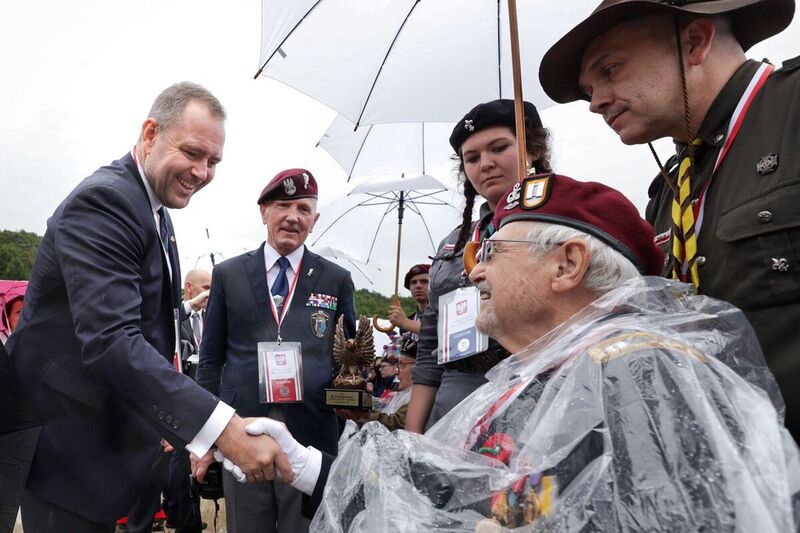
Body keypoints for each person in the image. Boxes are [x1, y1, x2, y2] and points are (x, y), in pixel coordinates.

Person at [305, 174, 800, 532]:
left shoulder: (644, 373)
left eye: (494, 254)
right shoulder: (537, 374)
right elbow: (478, 493)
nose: (475, 273)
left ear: (567, 264)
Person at [6, 82, 291, 533]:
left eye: (213, 162)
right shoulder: (107, 201)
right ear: (151, 132)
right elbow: (111, 340)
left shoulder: (156, 213)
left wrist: (171, 422)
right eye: (193, 153)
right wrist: (221, 429)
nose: (202, 172)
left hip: (99, 446)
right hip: (64, 449)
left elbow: (157, 335)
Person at [539, 0, 800, 442]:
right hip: (742, 476)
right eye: (588, 90)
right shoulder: (669, 192)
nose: (595, 103)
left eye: (610, 70)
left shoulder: (793, 108)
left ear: (694, 43)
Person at [195, 168, 356, 533]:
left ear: (314, 220)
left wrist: (350, 407)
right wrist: (205, 436)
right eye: (283, 205)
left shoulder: (336, 278)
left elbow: (349, 359)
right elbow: (210, 360)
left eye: (303, 208)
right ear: (263, 211)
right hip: (242, 429)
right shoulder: (228, 274)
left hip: (312, 433)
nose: (292, 216)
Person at [405, 98, 551, 433]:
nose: (485, 164)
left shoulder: (565, 226)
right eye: (471, 158)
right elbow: (430, 349)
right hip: (453, 404)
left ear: (533, 150)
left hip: (534, 402)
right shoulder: (453, 243)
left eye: (499, 148)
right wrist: (413, 437)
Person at [337, 333, 417, 431]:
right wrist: (360, 399)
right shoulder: (403, 394)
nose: (396, 371)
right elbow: (381, 405)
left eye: (401, 365)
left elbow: (394, 424)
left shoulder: (418, 398)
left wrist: (359, 414)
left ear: (418, 368)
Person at [387, 263, 430, 338]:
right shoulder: (407, 322)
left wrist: (406, 323)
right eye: (413, 282)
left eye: (424, 281)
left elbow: (440, 334)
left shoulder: (445, 315)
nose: (418, 286)